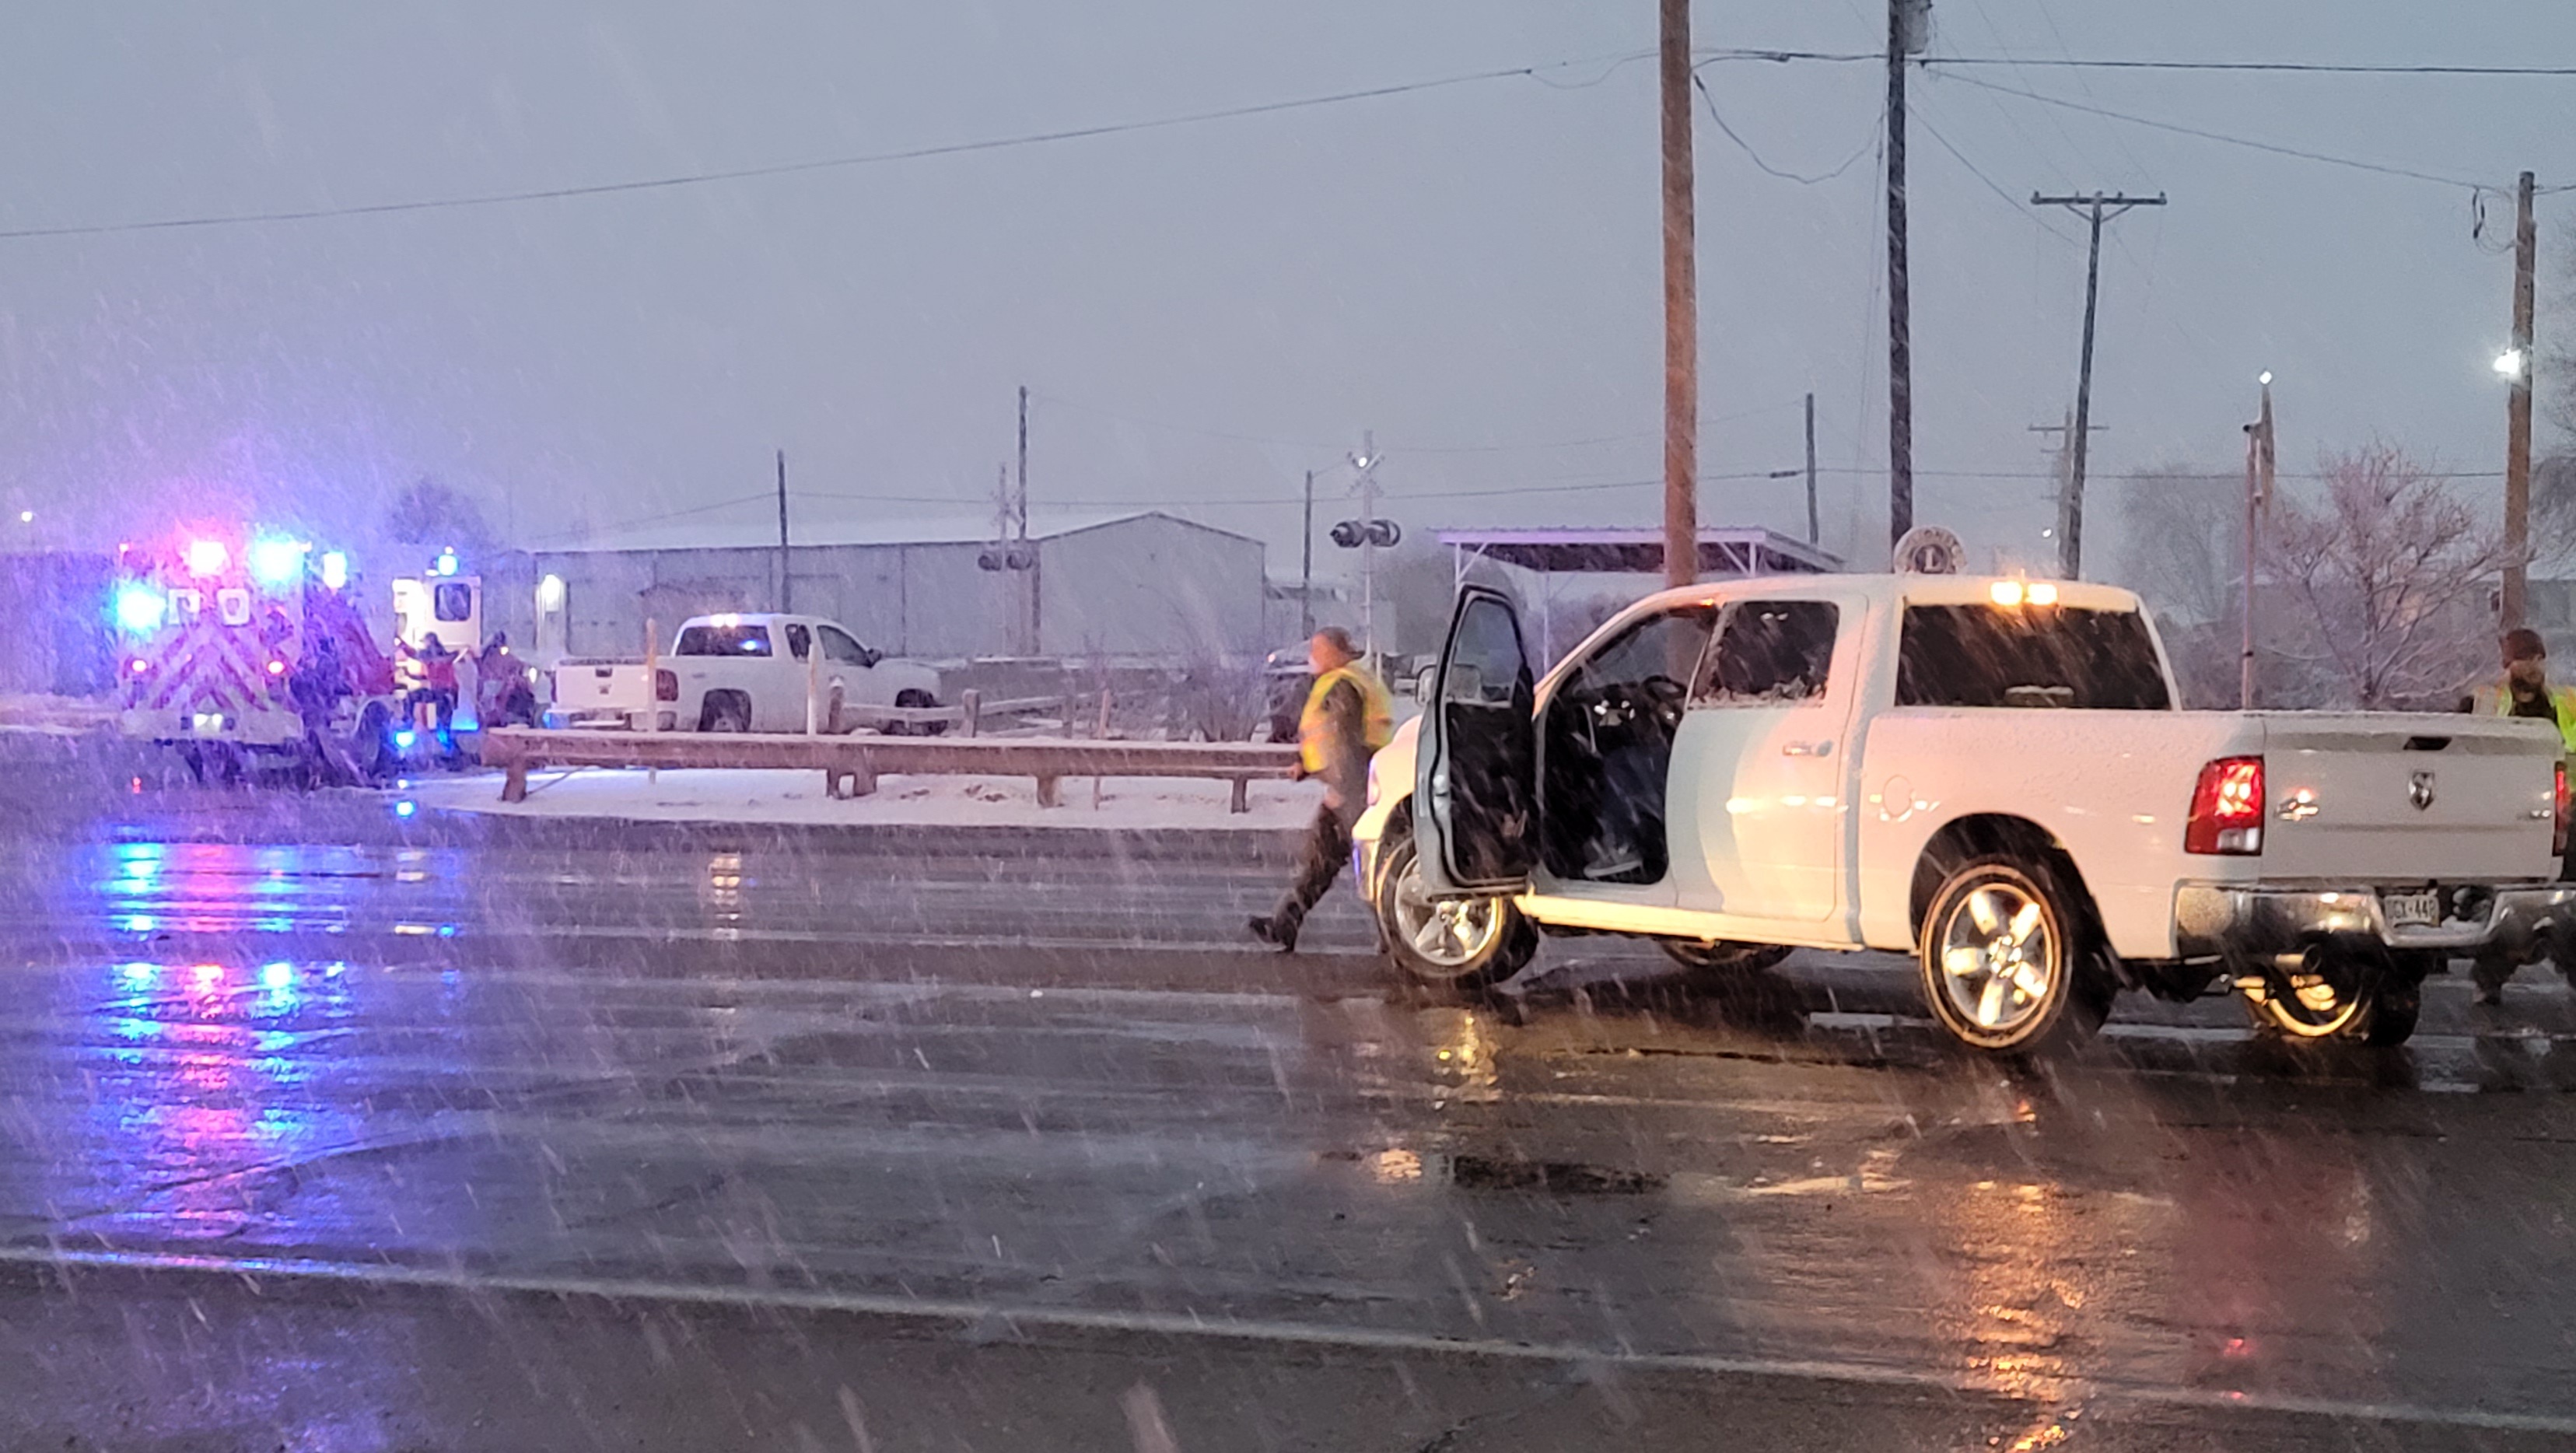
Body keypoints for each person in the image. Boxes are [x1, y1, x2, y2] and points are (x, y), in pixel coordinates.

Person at [1248, 628, 1395, 953]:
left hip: (1351, 788)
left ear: (1338, 651)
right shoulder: (1349, 679)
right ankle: (1286, 924)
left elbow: (1345, 741)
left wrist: (1342, 788)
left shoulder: (1344, 685)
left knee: (1368, 868)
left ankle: (1398, 934)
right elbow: (1329, 737)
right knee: (1326, 864)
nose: (1313, 656)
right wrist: (1308, 764)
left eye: (1319, 649)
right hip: (1352, 784)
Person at [2466, 628, 2576, 1005]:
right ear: (2508, 663)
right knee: (2511, 902)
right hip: (2509, 817)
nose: (2532, 665)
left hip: (2564, 818)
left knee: (2567, 905)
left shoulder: (2568, 702)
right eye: (2525, 658)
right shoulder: (2484, 702)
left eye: (2537, 658)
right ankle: (2490, 977)